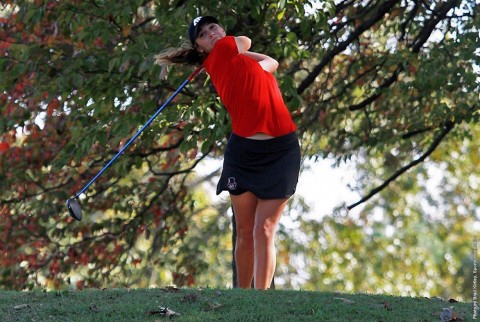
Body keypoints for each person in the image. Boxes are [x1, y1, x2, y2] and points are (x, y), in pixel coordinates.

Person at [155, 16, 301, 290]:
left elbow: (271, 63)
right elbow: (245, 41)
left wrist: (229, 51)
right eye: (203, 34)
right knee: (246, 231)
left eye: (213, 28)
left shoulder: (234, 58)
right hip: (245, 153)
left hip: (281, 151)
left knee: (264, 229)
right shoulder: (221, 52)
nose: (211, 33)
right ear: (200, 48)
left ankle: (259, 301)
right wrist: (226, 45)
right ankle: (242, 297)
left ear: (221, 30)